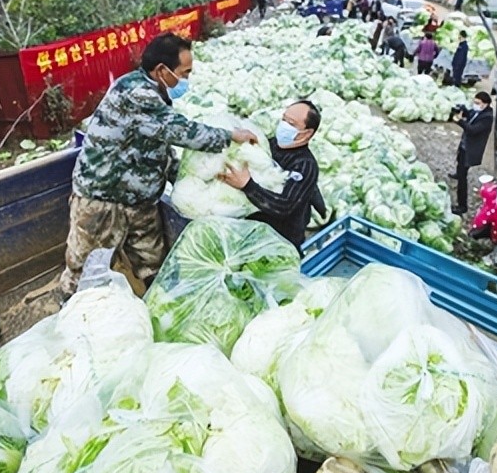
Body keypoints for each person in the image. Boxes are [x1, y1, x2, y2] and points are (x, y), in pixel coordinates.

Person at [60, 34, 258, 297]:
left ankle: (152, 308)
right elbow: (178, 130)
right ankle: (70, 312)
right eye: (184, 72)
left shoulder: (156, 93)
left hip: (140, 199)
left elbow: (159, 144)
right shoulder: (135, 92)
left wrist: (189, 179)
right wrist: (230, 135)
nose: (186, 80)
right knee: (87, 267)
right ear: (162, 70)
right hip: (103, 199)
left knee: (153, 263)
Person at [219, 100, 322, 251]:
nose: (284, 125)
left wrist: (247, 185)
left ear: (306, 133)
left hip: (280, 241)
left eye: (291, 124)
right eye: (283, 119)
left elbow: (284, 206)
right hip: (252, 229)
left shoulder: (305, 165)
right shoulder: (270, 144)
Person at [449, 92, 494, 214]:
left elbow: (473, 130)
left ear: (485, 104)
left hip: (471, 150)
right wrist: (463, 110)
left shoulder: (487, 118)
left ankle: (462, 206)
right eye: (475, 102)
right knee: (460, 163)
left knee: (463, 178)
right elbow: (470, 116)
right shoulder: (478, 112)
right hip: (464, 146)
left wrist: (459, 121)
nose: (475, 105)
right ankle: (458, 173)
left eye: (478, 103)